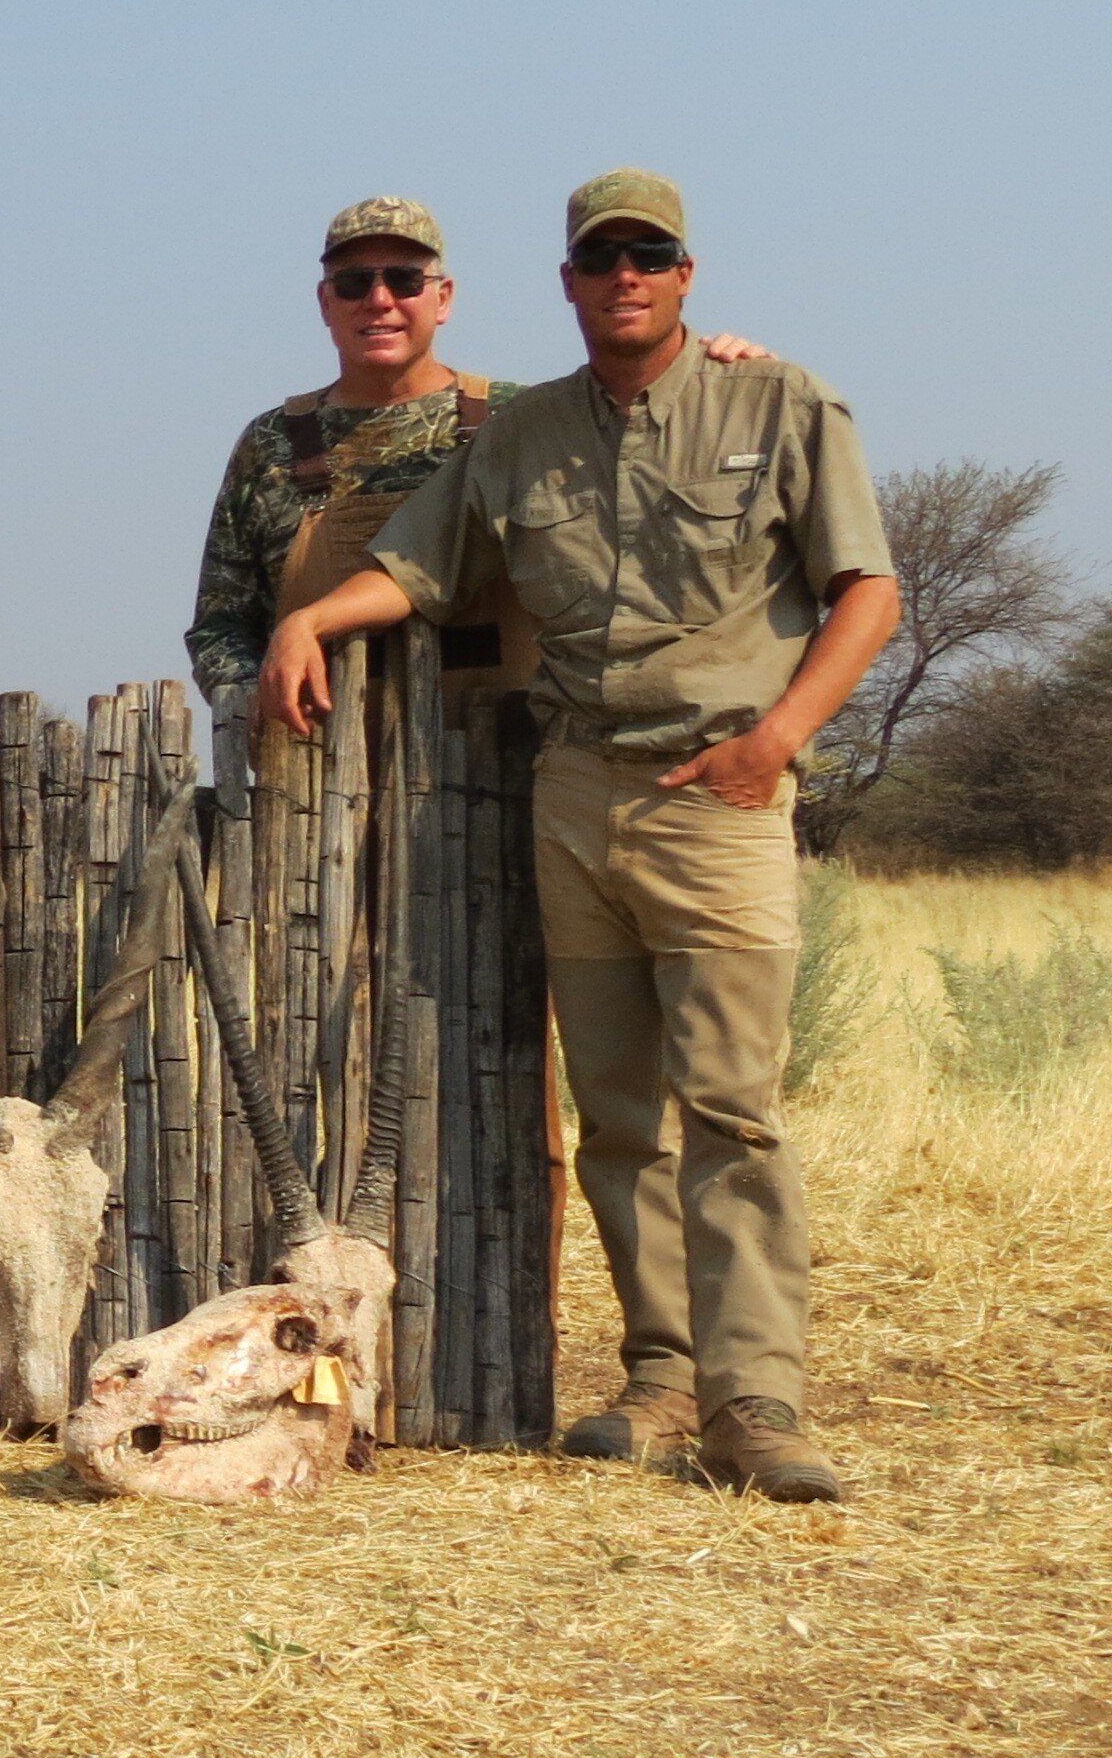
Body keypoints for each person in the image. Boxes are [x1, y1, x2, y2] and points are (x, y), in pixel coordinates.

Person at [257, 169, 899, 1504]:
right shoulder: (526, 431)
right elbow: (424, 564)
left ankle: (759, 1399)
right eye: (601, 257)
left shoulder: (777, 401)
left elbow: (867, 590)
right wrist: (310, 619)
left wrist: (775, 742)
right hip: (575, 794)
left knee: (733, 1111)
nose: (626, 276)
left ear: (685, 270)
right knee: (616, 1118)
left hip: (718, 798)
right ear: (567, 280)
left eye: (649, 254)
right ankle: (661, 1383)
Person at [189, 195, 764, 712]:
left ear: (444, 298)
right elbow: (220, 625)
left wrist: (717, 372)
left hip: (499, 768)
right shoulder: (272, 443)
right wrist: (250, 701)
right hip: (318, 773)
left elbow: (653, 446)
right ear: (325, 302)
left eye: (406, 280)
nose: (380, 300)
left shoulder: (524, 419)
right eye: (354, 283)